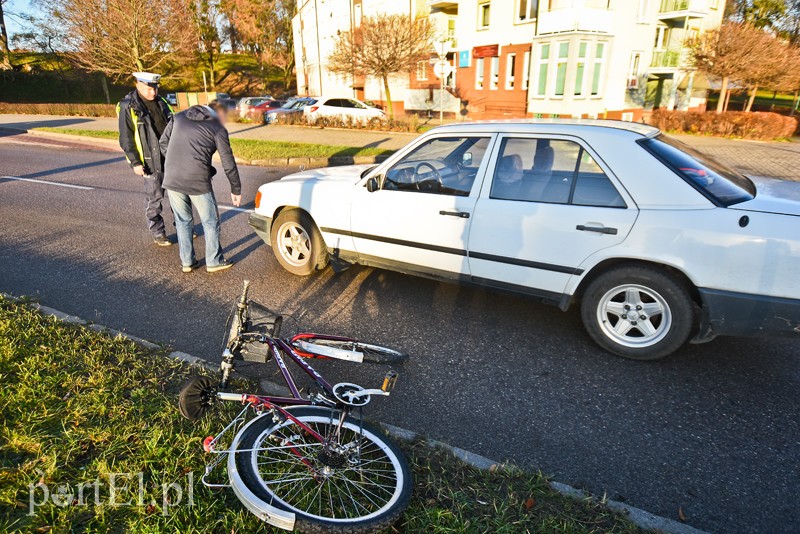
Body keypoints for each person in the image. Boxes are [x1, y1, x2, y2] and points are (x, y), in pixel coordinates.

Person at [159, 100, 242, 273]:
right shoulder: (217, 127)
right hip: (197, 179)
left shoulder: (179, 117)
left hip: (172, 177)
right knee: (210, 221)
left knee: (182, 221)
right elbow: (228, 161)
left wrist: (178, 162)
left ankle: (187, 262)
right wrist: (236, 188)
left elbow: (163, 144)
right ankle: (214, 261)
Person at [117, 72, 174, 247]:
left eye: (156, 88)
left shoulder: (162, 102)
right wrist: (135, 162)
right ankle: (158, 232)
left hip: (170, 157)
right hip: (150, 160)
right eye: (150, 89)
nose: (153, 92)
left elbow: (174, 124)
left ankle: (183, 226)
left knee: (178, 196)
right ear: (138, 85)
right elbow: (126, 137)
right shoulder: (129, 106)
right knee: (154, 199)